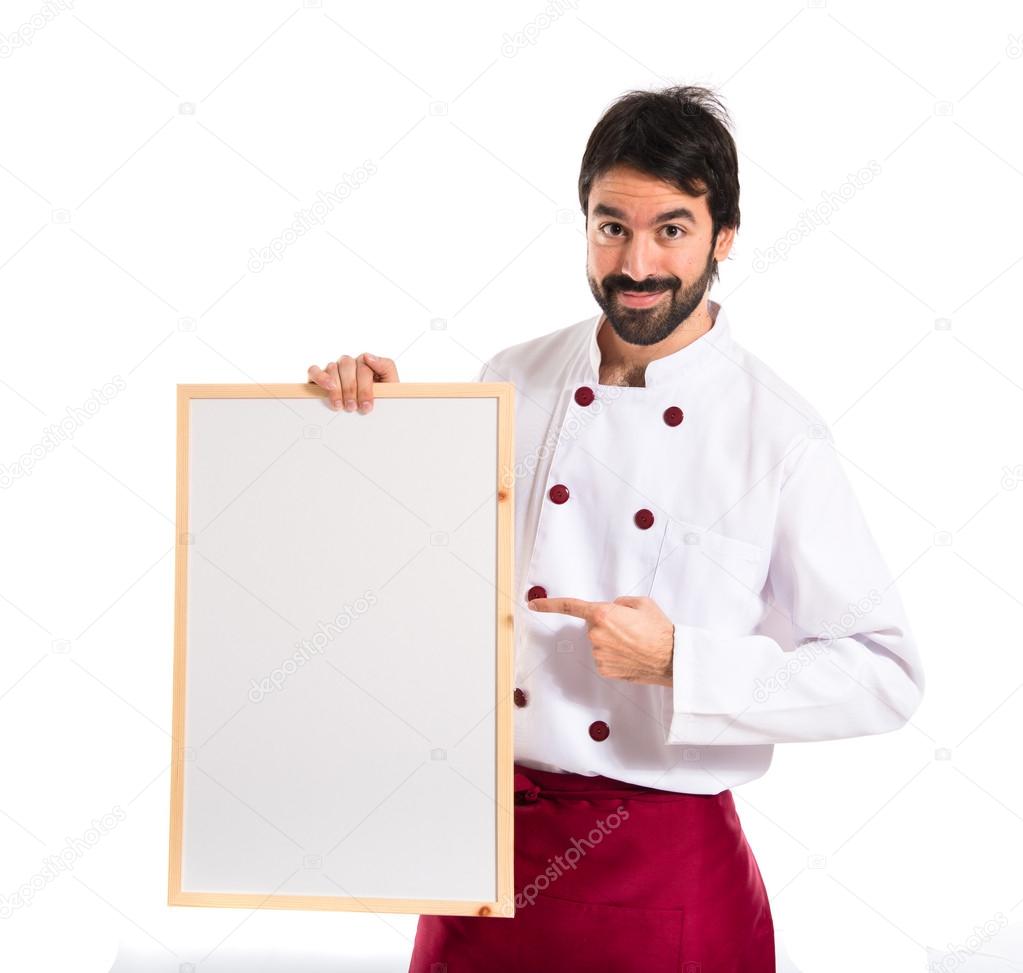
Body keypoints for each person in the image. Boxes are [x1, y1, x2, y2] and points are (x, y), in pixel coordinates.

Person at [307, 84, 925, 973]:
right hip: (485, 852)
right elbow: (426, 589)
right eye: (610, 226)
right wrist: (372, 430)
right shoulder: (509, 377)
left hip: (664, 866)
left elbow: (885, 673)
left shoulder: (776, 434)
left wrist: (683, 660)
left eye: (671, 228)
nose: (636, 263)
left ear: (724, 237)